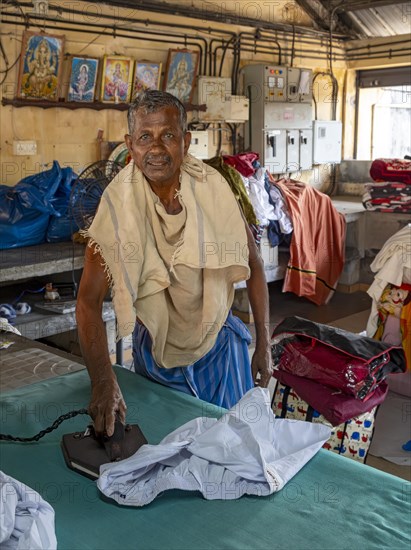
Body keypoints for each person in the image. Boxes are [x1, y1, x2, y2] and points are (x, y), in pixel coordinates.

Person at [76, 90, 272, 437]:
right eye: (144, 137)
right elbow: (88, 302)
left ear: (185, 140)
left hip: (221, 350)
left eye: (167, 135)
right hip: (157, 356)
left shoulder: (214, 190)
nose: (156, 149)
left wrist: (265, 346)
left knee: (236, 450)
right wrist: (103, 380)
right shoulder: (117, 209)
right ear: (129, 144)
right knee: (171, 456)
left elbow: (254, 266)